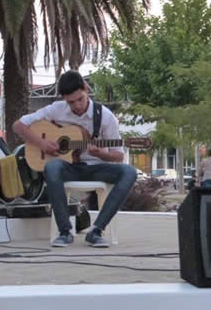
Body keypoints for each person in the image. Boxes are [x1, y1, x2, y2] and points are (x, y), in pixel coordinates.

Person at [12, 70, 137, 248]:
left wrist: (101, 154)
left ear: (86, 89)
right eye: (71, 102)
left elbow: (118, 155)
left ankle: (96, 230)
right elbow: (18, 125)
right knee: (52, 168)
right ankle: (65, 232)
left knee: (129, 172)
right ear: (64, 98)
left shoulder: (106, 117)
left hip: (96, 168)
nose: (77, 105)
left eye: (80, 99)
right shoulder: (56, 109)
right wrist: (43, 144)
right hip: (69, 168)